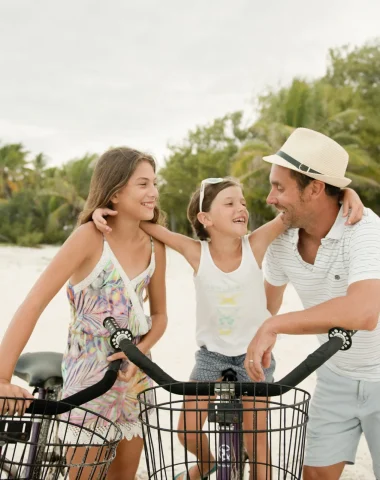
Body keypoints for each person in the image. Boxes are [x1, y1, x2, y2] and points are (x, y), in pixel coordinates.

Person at [93, 174, 362, 480]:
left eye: (243, 202)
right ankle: (207, 463)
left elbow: (294, 212)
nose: (241, 208)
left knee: (257, 438)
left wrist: (347, 193)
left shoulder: (255, 244)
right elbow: (150, 226)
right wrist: (104, 211)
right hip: (211, 358)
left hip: (253, 356)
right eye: (230, 203)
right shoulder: (196, 252)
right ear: (205, 218)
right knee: (187, 430)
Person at [0, 147, 167, 480]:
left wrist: (139, 353)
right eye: (143, 184)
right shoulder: (89, 238)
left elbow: (160, 317)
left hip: (133, 379)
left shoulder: (154, 246)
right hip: (88, 378)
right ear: (116, 192)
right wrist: (1, 379)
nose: (153, 193)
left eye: (154, 183)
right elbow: (33, 304)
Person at [244, 127, 380, 480]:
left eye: (280, 187)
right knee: (315, 475)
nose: (270, 198)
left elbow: (364, 312)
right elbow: (264, 307)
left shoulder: (365, 230)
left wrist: (275, 326)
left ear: (315, 188)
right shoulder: (282, 240)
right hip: (335, 376)